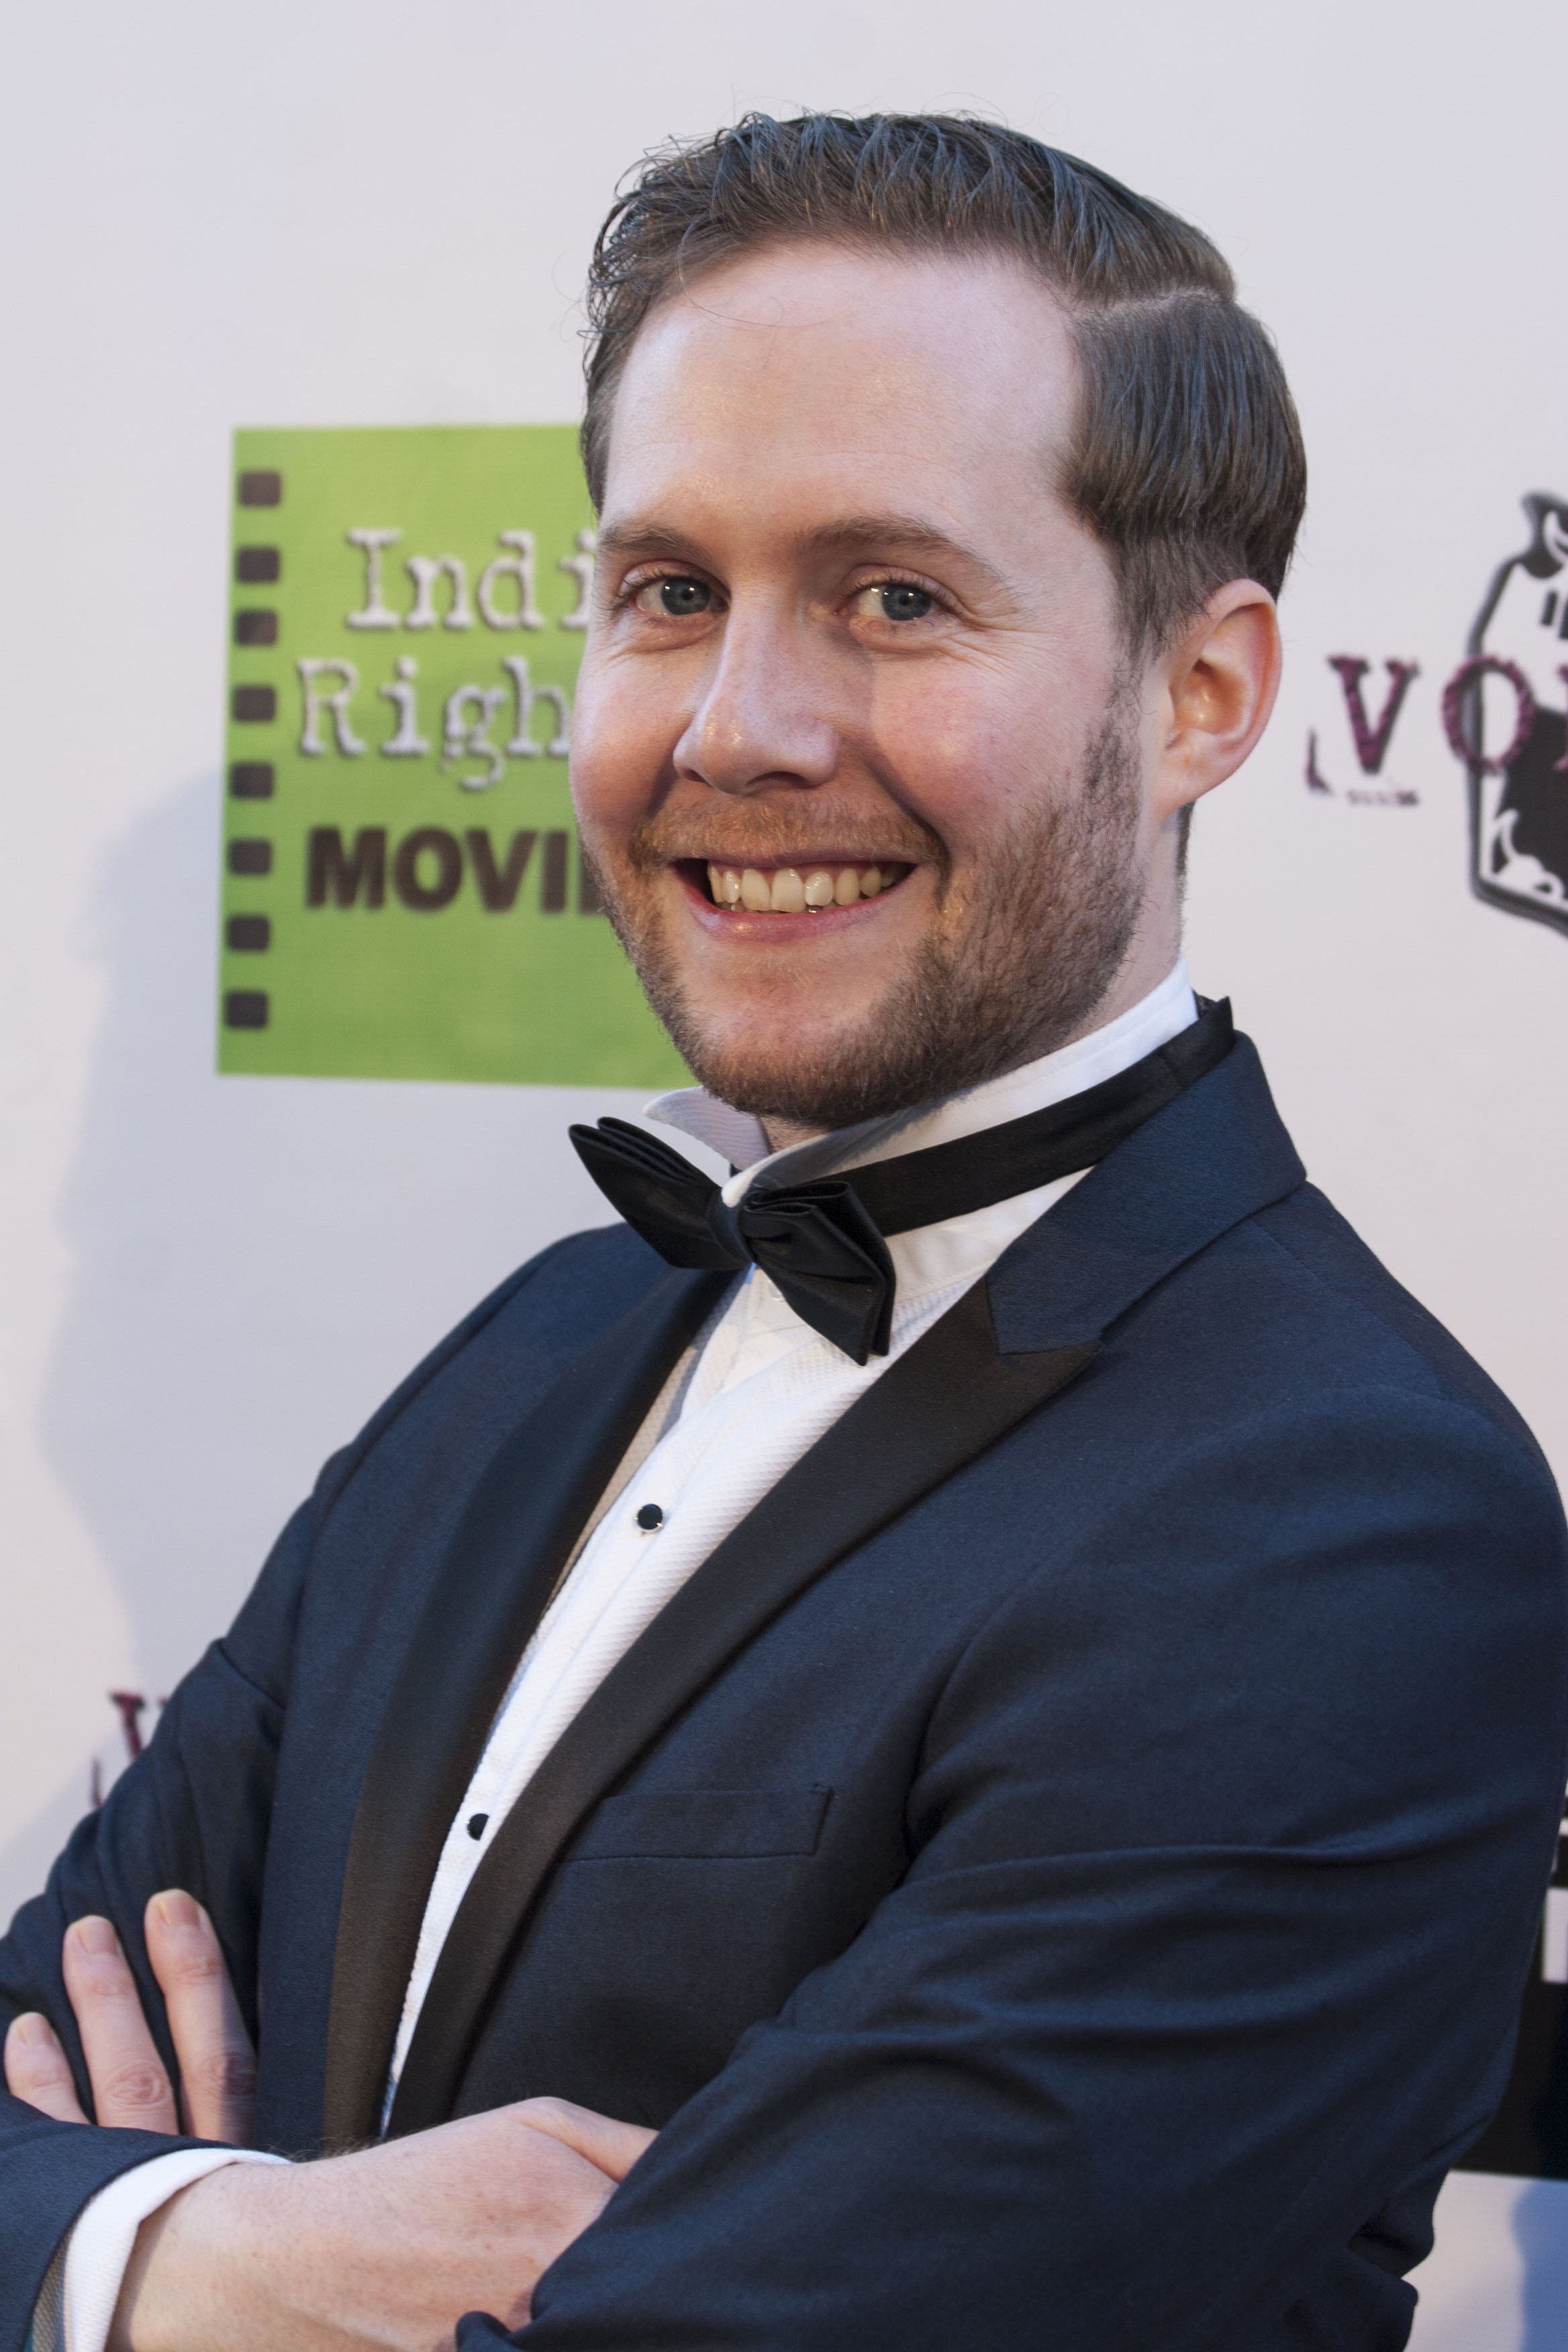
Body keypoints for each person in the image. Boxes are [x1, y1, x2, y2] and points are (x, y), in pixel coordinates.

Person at [3, 111, 1566, 2352]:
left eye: (896, 598)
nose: (738, 727)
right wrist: (198, 2257)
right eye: (670, 595)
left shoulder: (1349, 1521)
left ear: (1200, 693)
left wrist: (133, 2224)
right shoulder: (540, 1346)